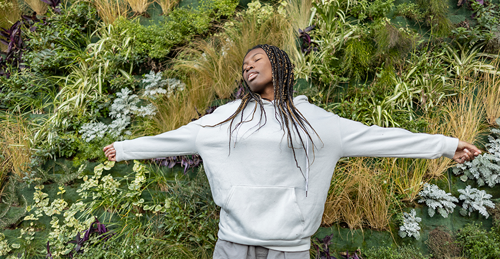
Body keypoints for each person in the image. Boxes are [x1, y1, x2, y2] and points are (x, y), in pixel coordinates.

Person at [103, 44, 481, 259]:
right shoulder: (226, 118)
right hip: (233, 241)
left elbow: (379, 138)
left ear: (280, 66)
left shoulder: (318, 122)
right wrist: (123, 148)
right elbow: (175, 138)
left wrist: (446, 145)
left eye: (257, 61)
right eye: (245, 65)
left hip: (291, 247)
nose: (248, 67)